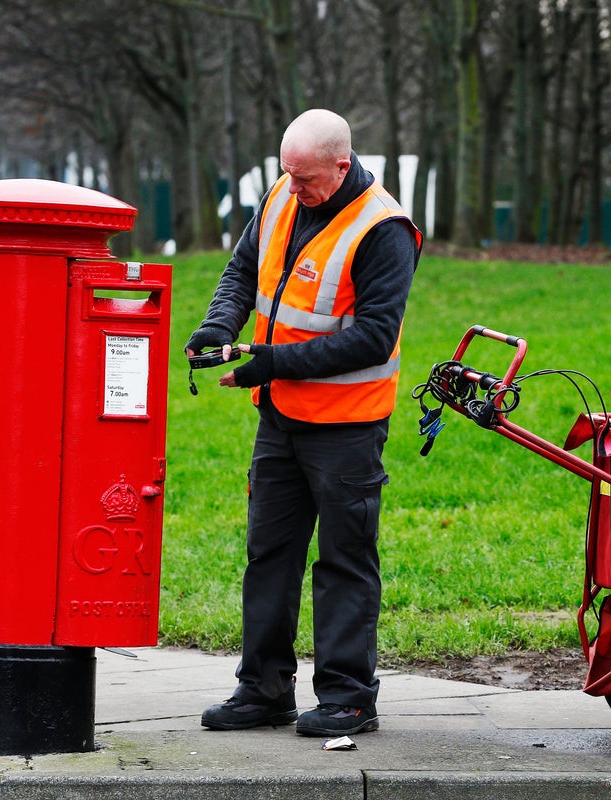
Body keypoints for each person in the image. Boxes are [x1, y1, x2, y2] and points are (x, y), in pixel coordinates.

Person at [186, 108, 422, 737]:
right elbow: (241, 273)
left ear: (342, 166)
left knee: (344, 561)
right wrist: (218, 326)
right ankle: (262, 690)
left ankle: (348, 699)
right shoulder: (282, 193)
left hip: (348, 424)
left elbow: (373, 337)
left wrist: (271, 363)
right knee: (269, 555)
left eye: (308, 179)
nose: (295, 190)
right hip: (281, 417)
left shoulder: (384, 229)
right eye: (287, 175)